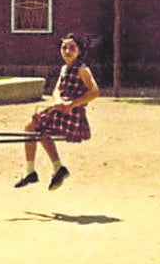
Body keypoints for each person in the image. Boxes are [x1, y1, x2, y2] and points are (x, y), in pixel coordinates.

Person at [15, 33, 99, 191]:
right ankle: (55, 168)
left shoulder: (82, 70)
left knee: (30, 128)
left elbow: (94, 92)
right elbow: (56, 90)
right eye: (64, 48)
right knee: (38, 130)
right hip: (60, 109)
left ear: (79, 51)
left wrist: (72, 104)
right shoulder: (64, 69)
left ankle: (32, 172)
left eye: (72, 48)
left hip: (72, 114)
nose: (67, 51)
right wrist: (57, 100)